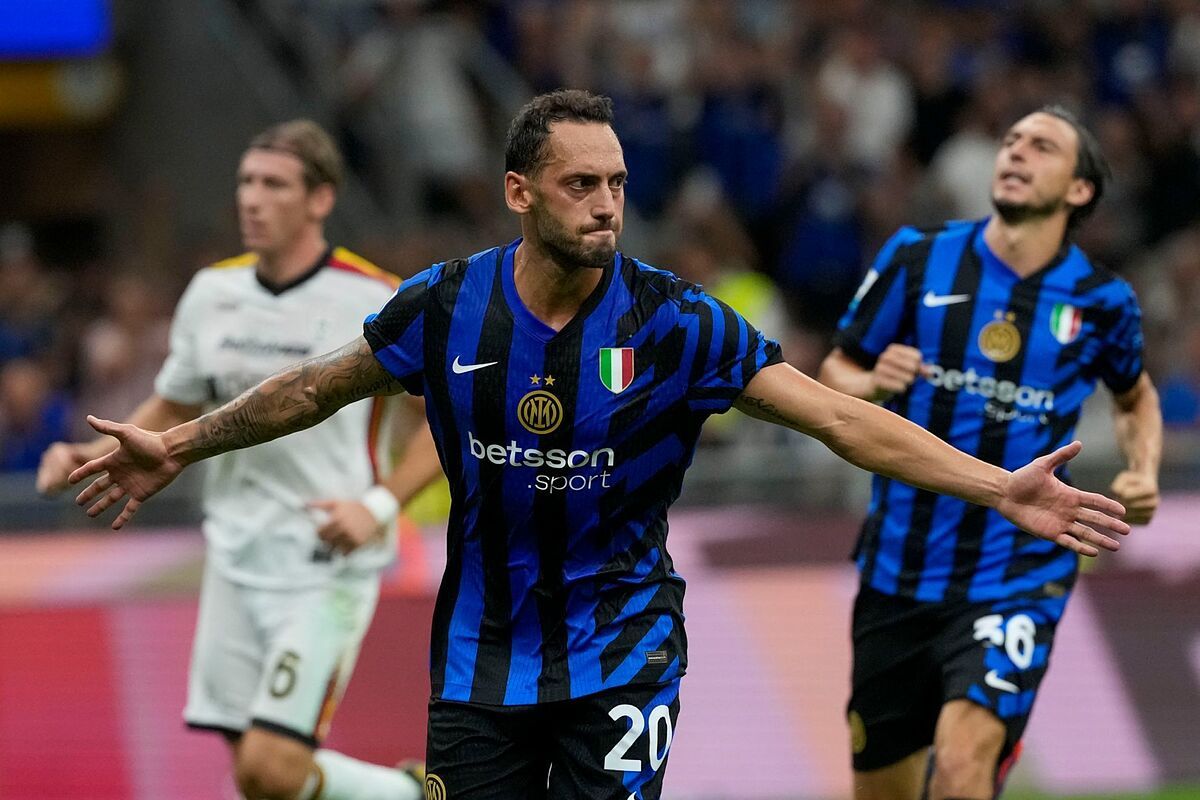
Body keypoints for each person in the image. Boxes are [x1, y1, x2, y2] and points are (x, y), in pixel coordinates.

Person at [67, 92, 1131, 800]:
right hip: (479, 660)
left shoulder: (678, 321)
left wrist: (1000, 487)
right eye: (582, 184)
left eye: (617, 183)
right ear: (520, 192)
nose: (607, 205)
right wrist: (180, 444)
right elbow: (310, 389)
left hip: (623, 652)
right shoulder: (447, 304)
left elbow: (842, 417)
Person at [36, 120, 436, 800]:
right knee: (259, 778)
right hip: (233, 554)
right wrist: (91, 453)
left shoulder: (377, 298)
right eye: (246, 182)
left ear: (320, 199)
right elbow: (173, 404)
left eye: (274, 184)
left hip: (325, 557)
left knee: (268, 768)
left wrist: (377, 507)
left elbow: (442, 424)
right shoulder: (210, 294)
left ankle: (416, 794)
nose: (252, 198)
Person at [818, 106, 1163, 800]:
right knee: (882, 789)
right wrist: (872, 380)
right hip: (898, 569)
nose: (1016, 152)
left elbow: (1135, 397)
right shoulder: (917, 256)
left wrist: (1143, 468)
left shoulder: (1102, 301)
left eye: (1042, 146)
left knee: (961, 765)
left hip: (1017, 571)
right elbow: (835, 373)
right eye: (1011, 141)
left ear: (1079, 189)